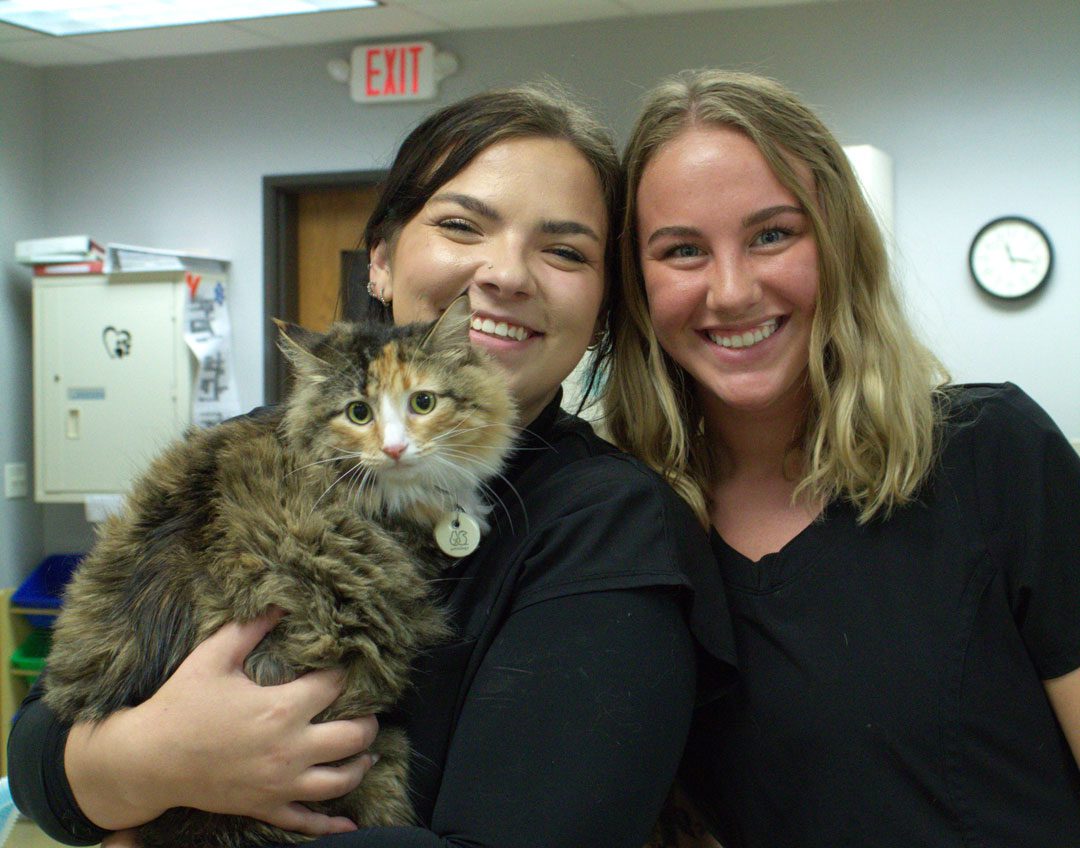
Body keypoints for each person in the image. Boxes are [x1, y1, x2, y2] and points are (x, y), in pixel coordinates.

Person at [8, 86, 736, 848]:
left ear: (603, 307)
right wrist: (148, 762)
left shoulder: (612, 527)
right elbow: (37, 749)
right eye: (461, 226)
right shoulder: (244, 457)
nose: (508, 274)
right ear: (381, 261)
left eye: (565, 250)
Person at [605, 69, 1080, 847]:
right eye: (683, 250)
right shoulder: (628, 531)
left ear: (838, 243)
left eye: (771, 235)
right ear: (637, 284)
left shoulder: (994, 457)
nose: (731, 292)